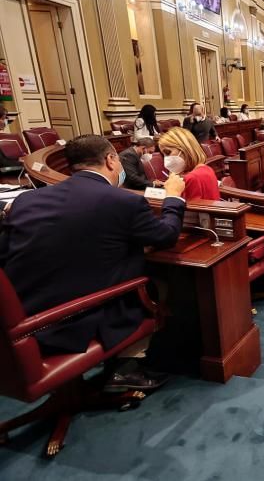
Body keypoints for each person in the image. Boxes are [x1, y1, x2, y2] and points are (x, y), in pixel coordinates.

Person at [0, 134, 186, 388]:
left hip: (21, 317)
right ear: (111, 160)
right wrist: (173, 198)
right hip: (70, 322)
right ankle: (125, 365)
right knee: (159, 284)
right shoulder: (125, 201)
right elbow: (167, 236)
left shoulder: (25, 201)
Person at [158, 127, 220, 201]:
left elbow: (187, 210)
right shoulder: (206, 168)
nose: (166, 158)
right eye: (163, 155)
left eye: (168, 152)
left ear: (185, 149)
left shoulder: (190, 178)